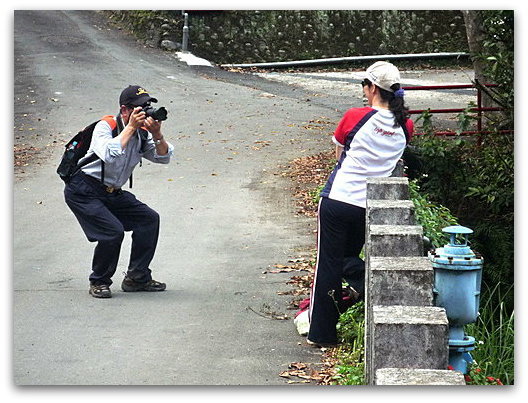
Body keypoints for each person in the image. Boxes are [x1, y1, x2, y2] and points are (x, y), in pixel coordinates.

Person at [307, 61, 414, 346]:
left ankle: (322, 333)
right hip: (371, 206)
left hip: (339, 200)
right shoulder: (406, 125)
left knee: (328, 265)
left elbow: (341, 151)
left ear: (372, 88)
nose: (363, 92)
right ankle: (364, 283)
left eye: (364, 87)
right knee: (346, 259)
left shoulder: (356, 116)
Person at [64, 85, 174, 298]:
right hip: (83, 189)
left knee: (148, 219)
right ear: (125, 110)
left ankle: (137, 277)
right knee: (112, 231)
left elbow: (163, 157)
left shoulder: (143, 133)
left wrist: (157, 134)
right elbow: (109, 154)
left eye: (148, 107)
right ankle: (99, 281)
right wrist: (130, 128)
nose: (145, 112)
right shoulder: (106, 126)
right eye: (140, 108)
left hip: (112, 191)